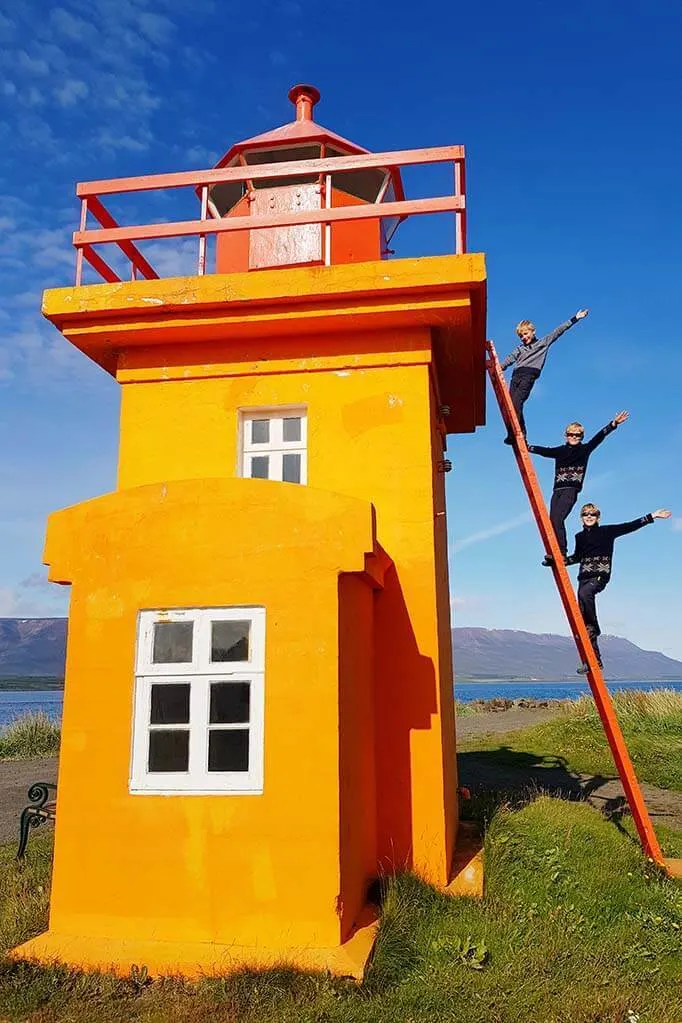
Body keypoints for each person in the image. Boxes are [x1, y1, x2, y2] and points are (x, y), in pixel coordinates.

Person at [566, 504, 672, 672]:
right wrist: (560, 561)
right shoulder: (579, 537)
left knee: (586, 596)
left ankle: (595, 627)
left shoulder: (607, 531)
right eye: (586, 514)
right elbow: (577, 557)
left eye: (593, 514)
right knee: (583, 621)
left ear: (598, 517)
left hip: (599, 578)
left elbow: (630, 526)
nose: (589, 516)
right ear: (581, 518)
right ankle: (594, 661)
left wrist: (653, 516)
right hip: (583, 578)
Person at [529, 411, 629, 565]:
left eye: (577, 435)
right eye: (571, 434)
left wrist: (613, 424)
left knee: (558, 518)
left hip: (570, 490)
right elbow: (545, 451)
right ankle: (552, 553)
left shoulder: (584, 450)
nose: (574, 437)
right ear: (566, 435)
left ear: (581, 437)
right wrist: (527, 446)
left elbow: (598, 438)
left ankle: (561, 553)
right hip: (557, 491)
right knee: (551, 522)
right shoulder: (560, 451)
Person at [500, 309, 589, 444]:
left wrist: (575, 318)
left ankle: (517, 434)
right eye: (521, 336)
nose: (524, 337)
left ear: (532, 331)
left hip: (528, 376)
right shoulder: (520, 349)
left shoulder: (543, 342)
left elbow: (559, 331)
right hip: (516, 375)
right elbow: (510, 358)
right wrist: (500, 367)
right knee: (510, 406)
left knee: (516, 403)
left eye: (525, 334)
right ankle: (516, 433)